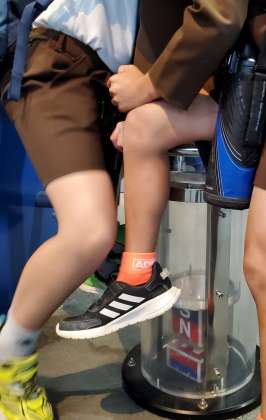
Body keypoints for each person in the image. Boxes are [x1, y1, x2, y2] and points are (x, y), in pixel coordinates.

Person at [59, 1, 266, 419]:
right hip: (245, 86)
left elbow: (221, 13)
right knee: (144, 127)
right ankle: (138, 277)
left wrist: (148, 86)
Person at [0, 1, 181, 419]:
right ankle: (11, 361)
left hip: (111, 78)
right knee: (90, 232)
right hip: (55, 57)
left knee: (101, 228)